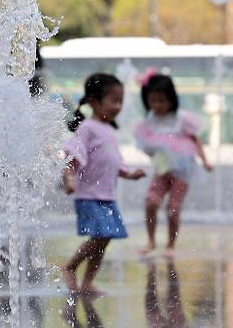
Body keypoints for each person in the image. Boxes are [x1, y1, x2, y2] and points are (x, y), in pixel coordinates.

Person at [62, 73, 146, 295]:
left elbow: (115, 162)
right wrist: (69, 178)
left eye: (121, 100)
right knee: (101, 235)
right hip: (89, 194)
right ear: (94, 102)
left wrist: (130, 173)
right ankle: (70, 266)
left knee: (103, 240)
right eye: (114, 100)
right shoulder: (88, 128)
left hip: (106, 195)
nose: (118, 106)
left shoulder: (109, 130)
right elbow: (72, 154)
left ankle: (88, 282)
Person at [135, 72, 212, 258]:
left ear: (171, 98)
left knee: (173, 208)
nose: (157, 106)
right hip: (163, 169)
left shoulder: (181, 118)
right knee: (150, 201)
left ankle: (170, 245)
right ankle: (151, 240)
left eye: (161, 100)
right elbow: (148, 144)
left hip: (182, 171)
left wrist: (205, 160)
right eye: (152, 101)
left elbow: (195, 140)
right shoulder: (150, 120)